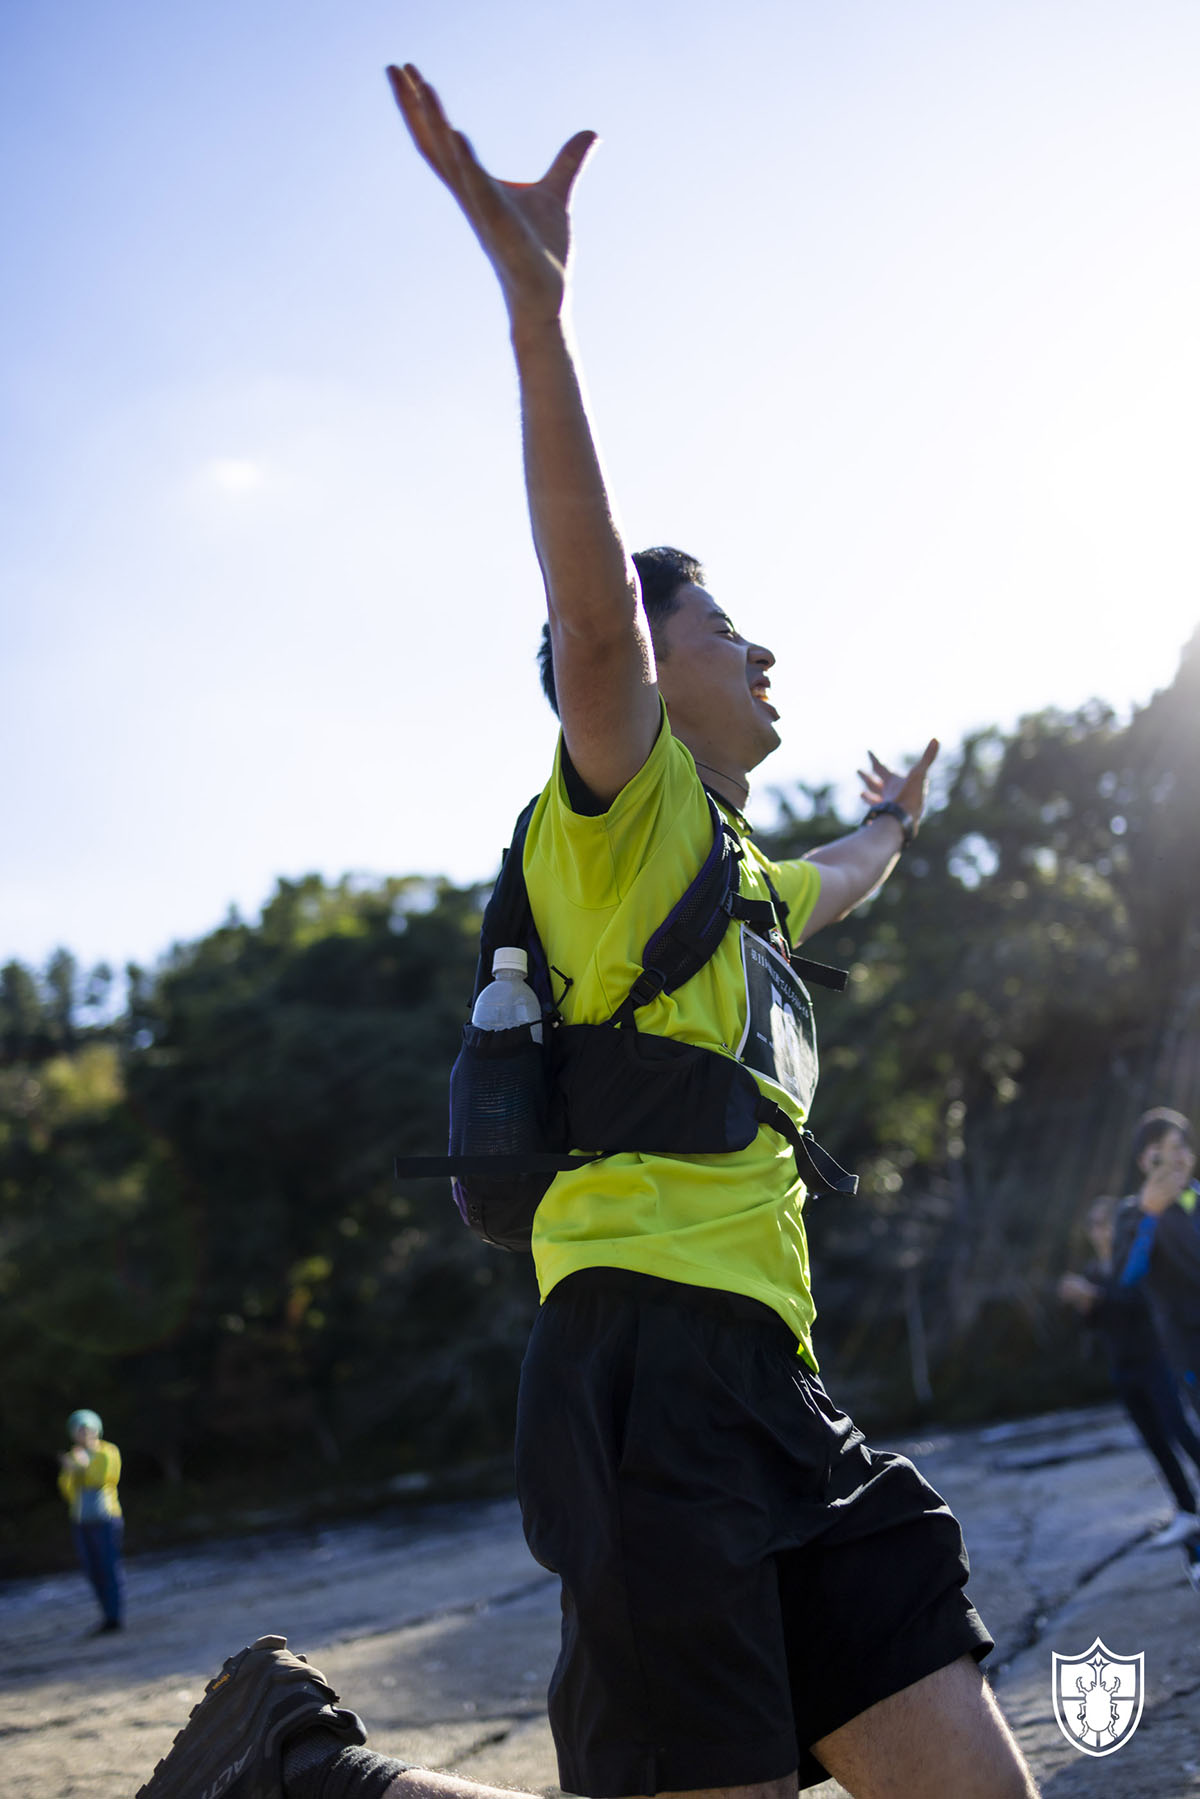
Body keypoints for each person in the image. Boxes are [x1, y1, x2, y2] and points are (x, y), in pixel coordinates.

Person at [133, 64, 1039, 1799]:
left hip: (774, 1380)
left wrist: (901, 820)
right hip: (645, 1373)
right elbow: (594, 605)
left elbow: (846, 872)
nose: (763, 652)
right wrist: (541, 321)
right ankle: (311, 1772)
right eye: (727, 626)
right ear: (643, 663)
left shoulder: (740, 878)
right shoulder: (623, 815)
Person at [1058, 1195, 1200, 1546]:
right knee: (1154, 1443)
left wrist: (1095, 1295)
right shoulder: (1094, 1270)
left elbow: (1138, 1303)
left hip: (1156, 1361)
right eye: (1094, 1225)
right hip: (1123, 1369)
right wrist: (1084, 1302)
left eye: (1105, 1223)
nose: (1100, 1231)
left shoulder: (1134, 1260)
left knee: (1180, 1431)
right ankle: (1187, 1509)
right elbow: (1094, 1323)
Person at [1115, 1108, 1200, 1385]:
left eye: (1179, 1147)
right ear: (1144, 1161)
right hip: (1190, 1348)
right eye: (1160, 1151)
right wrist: (1149, 1215)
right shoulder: (1132, 1213)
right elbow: (1126, 1278)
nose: (1174, 1158)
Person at [58, 1407, 125, 1633]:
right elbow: (68, 1491)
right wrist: (71, 1471)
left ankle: (115, 1616)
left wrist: (81, 1467)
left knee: (109, 1567)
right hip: (81, 1520)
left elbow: (103, 1478)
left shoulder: (108, 1451)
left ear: (97, 1430)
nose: (84, 1434)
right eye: (80, 1430)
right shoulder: (73, 1456)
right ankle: (106, 1615)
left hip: (106, 1517)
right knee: (92, 1570)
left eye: (88, 1429)